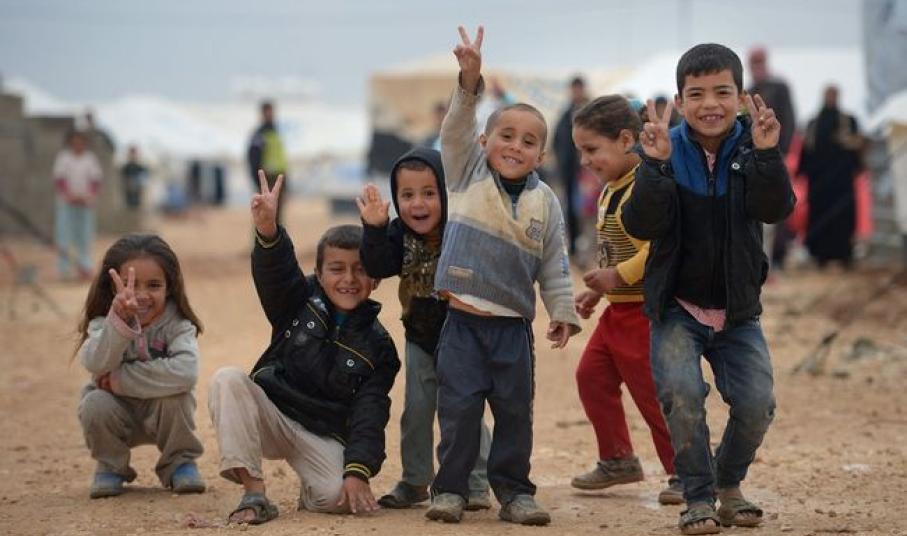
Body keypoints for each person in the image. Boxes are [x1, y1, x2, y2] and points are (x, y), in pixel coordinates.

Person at [622, 44, 794, 534]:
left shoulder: (753, 147)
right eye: (696, 94)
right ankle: (698, 497)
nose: (710, 104)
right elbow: (641, 223)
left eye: (722, 92)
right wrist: (654, 166)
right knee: (681, 395)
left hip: (737, 311)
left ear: (741, 98)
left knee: (757, 405)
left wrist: (768, 155)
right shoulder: (665, 148)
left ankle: (728, 483)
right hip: (678, 307)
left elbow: (776, 209)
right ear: (679, 100)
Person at [425, 26, 580, 527]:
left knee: (515, 415)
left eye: (529, 142)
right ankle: (450, 490)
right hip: (463, 326)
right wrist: (470, 80)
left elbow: (554, 263)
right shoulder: (465, 172)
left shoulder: (545, 202)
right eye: (506, 136)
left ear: (542, 155)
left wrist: (562, 310)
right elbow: (454, 127)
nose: (515, 146)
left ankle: (515, 493)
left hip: (513, 331)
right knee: (459, 412)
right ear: (483, 141)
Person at [207, 170, 400, 525]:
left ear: (374, 278)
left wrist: (357, 470)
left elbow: (370, 413)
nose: (348, 279)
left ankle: (311, 492)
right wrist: (268, 229)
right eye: (336, 269)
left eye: (359, 270)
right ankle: (254, 493)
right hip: (273, 415)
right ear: (319, 274)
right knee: (227, 380)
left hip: (322, 433)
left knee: (337, 498)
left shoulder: (380, 347)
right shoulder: (297, 300)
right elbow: (276, 273)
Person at [356, 147, 492, 510]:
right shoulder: (397, 233)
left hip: (464, 336)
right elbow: (378, 265)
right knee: (416, 410)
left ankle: (477, 482)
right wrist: (374, 228)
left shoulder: (460, 230)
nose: (418, 204)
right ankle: (415, 480)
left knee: (466, 411)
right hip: (419, 336)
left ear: (447, 194)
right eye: (407, 195)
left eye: (429, 193)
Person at [569, 95, 681, 505]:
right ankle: (617, 458)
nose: (584, 161)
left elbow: (660, 248)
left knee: (653, 395)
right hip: (617, 311)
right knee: (591, 376)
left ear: (625, 140)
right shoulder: (610, 188)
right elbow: (614, 249)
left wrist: (617, 276)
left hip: (644, 314)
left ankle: (686, 471)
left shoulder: (645, 187)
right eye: (581, 151)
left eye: (591, 149)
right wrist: (600, 290)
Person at [76, 234, 206, 499]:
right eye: (130, 285)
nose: (141, 295)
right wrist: (118, 324)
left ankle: (180, 463)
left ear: (169, 287)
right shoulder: (102, 323)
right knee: (93, 403)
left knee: (177, 397)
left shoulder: (178, 324)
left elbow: (186, 372)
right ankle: (111, 466)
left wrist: (117, 381)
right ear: (112, 288)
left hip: (164, 414)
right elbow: (95, 363)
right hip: (118, 412)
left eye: (154, 285)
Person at [799, 85, 864, 268]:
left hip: (842, 183)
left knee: (843, 217)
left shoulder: (848, 121)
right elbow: (807, 150)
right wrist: (803, 172)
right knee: (819, 218)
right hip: (819, 184)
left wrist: (856, 166)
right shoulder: (813, 123)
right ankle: (819, 255)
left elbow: (857, 147)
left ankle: (844, 255)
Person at [748, 47, 797, 269]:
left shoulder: (779, 88)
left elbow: (789, 119)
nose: (757, 66)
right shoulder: (749, 91)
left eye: (759, 61)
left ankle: (777, 257)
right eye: (754, 62)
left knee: (778, 205)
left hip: (776, 155)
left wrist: (780, 152)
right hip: (753, 158)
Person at [53, 130, 103, 280]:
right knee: (64, 236)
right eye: (75, 142)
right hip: (67, 203)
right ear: (70, 143)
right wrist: (70, 196)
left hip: (86, 204)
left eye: (81, 142)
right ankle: (64, 269)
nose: (78, 145)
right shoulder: (64, 158)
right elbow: (59, 180)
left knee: (85, 237)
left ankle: (84, 268)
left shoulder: (90, 159)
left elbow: (96, 181)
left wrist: (88, 196)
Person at [553, 76, 590, 256]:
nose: (576, 92)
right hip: (569, 171)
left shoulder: (593, 111)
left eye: (579, 89)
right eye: (574, 89)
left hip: (590, 171)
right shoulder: (566, 114)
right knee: (572, 209)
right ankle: (575, 246)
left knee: (590, 208)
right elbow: (557, 140)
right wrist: (562, 162)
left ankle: (591, 248)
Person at [247, 100, 289, 222]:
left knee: (277, 215)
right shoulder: (260, 134)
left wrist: (286, 179)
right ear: (262, 113)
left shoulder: (276, 132)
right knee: (265, 216)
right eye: (267, 112)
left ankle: (277, 235)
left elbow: (280, 158)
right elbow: (253, 158)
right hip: (267, 179)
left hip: (279, 177)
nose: (270, 115)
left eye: (271, 112)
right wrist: (257, 180)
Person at [120, 145, 148, 210]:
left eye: (134, 153)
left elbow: (144, 181)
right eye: (131, 153)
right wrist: (128, 183)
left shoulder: (141, 168)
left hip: (137, 196)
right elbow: (122, 180)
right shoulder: (125, 168)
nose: (133, 155)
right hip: (128, 196)